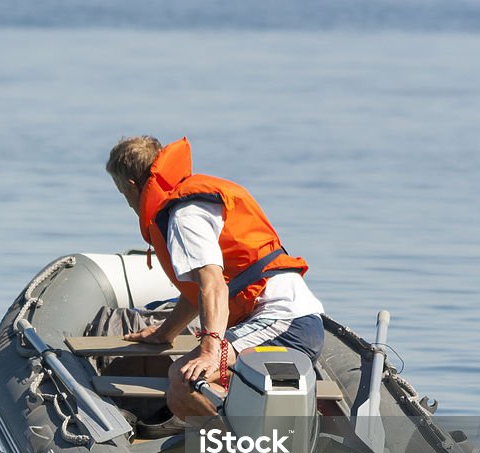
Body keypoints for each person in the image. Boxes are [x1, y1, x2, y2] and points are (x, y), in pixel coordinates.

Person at [106, 135, 325, 420]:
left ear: (133, 186)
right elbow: (197, 293)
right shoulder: (193, 201)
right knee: (190, 376)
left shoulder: (185, 216)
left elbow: (214, 285)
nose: (129, 205)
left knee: (185, 380)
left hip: (284, 322)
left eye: (124, 195)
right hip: (283, 320)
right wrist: (165, 332)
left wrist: (210, 351)